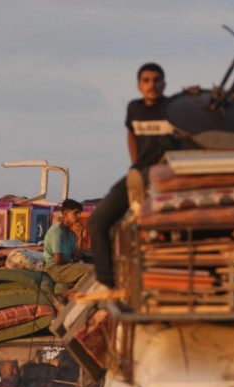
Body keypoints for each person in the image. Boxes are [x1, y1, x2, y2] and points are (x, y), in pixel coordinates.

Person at [87, 62, 176, 288]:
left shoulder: (174, 108)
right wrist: (134, 164)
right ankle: (108, 282)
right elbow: (131, 133)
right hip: (139, 173)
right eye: (146, 80)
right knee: (98, 220)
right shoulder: (134, 108)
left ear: (164, 83)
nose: (151, 85)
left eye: (156, 80)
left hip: (166, 174)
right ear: (139, 86)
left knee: (150, 227)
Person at [43, 198, 95, 289]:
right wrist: (73, 264)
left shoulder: (72, 234)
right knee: (93, 270)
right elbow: (58, 260)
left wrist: (80, 238)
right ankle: (70, 294)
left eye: (79, 213)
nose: (78, 216)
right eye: (75, 213)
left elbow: (76, 259)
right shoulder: (57, 231)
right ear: (66, 214)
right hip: (54, 269)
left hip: (65, 267)